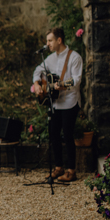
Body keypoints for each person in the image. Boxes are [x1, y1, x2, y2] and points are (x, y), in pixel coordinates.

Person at [32, 28, 83, 182]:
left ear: (59, 40)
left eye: (50, 41)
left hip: (69, 102)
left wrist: (62, 85)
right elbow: (37, 71)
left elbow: (76, 80)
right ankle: (59, 167)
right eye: (47, 41)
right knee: (53, 135)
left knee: (67, 136)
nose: (47, 44)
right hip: (54, 103)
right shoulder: (49, 59)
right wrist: (37, 84)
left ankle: (71, 170)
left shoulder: (74, 57)